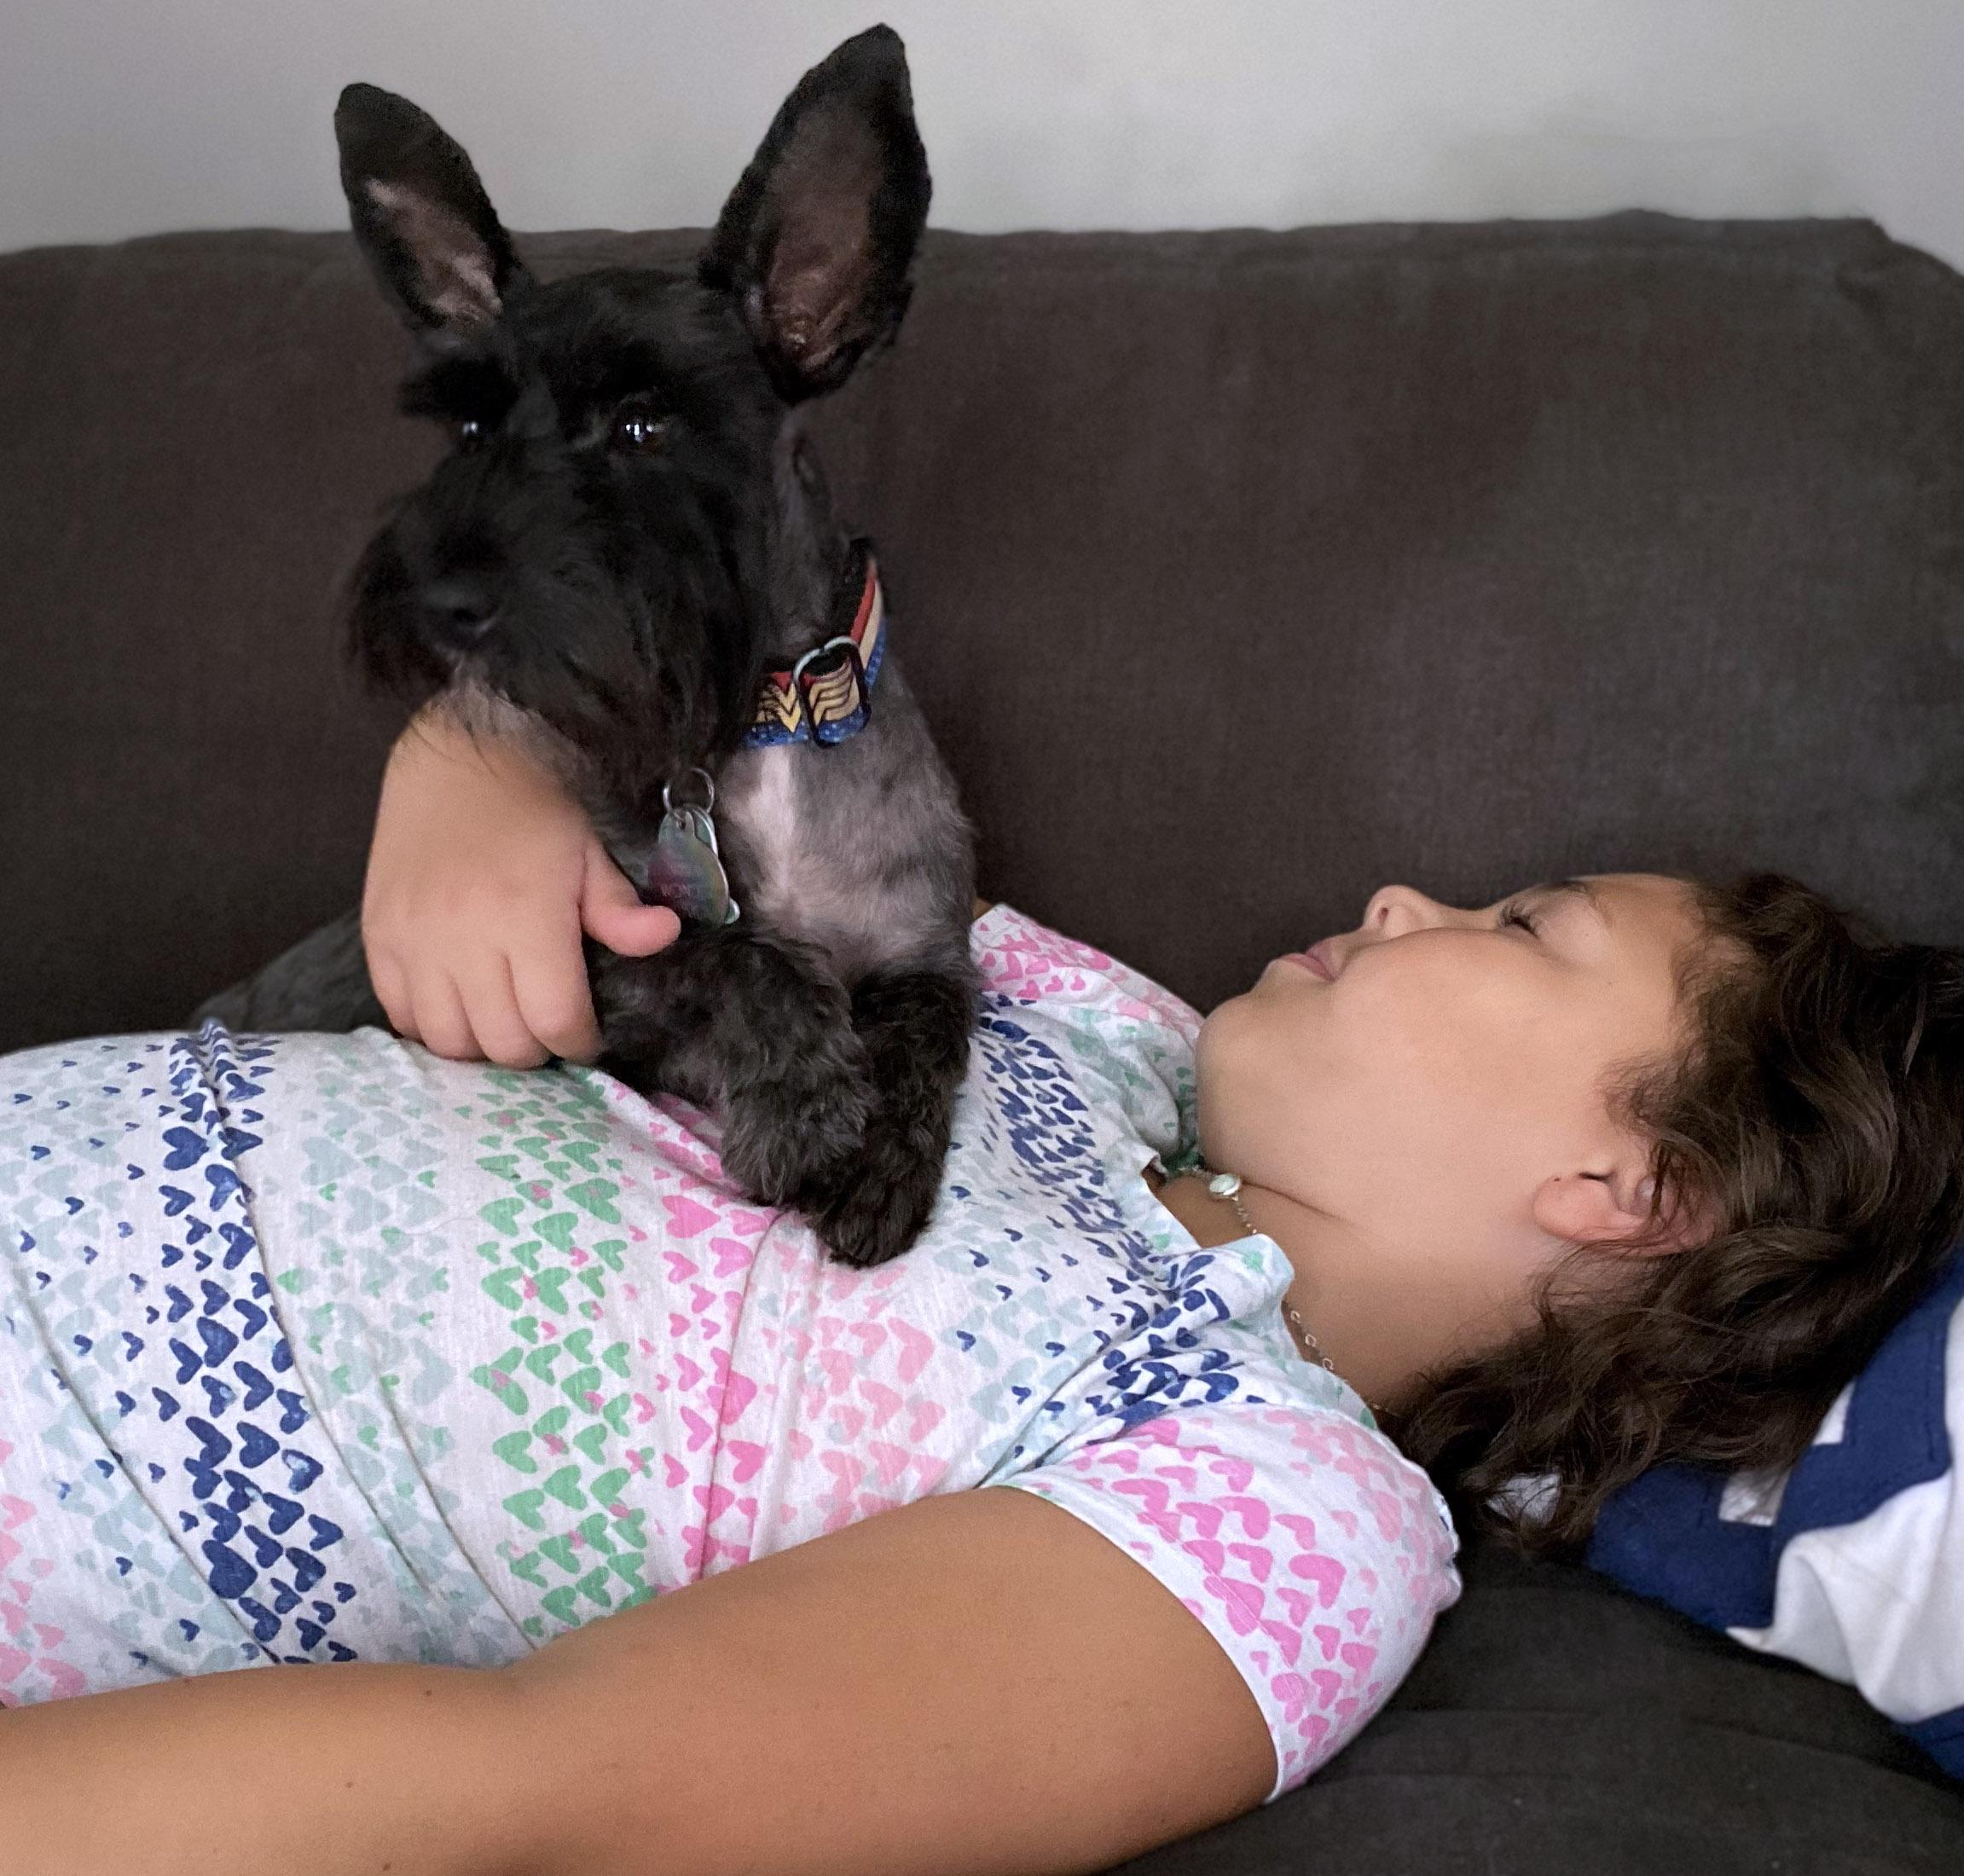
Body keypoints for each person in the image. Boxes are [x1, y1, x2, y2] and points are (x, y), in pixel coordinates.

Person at [1, 710, 1958, 1876]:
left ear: (1640, 1187)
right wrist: (492, 755)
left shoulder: (1283, 1512)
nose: (1400, 898)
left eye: (1525, 927)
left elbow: (531, 1786)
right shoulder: (1087, 1023)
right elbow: (683, 719)